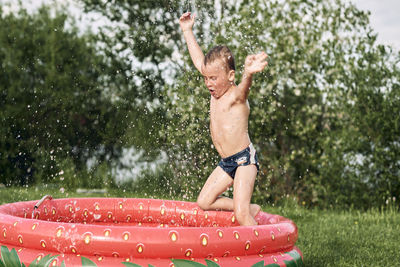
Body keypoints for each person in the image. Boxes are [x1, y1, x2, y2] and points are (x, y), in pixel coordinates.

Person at [179, 12, 268, 226]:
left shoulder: (235, 96)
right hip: (227, 162)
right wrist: (187, 31)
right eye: (206, 78)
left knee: (240, 215)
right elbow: (199, 61)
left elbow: (245, 90)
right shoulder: (214, 93)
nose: (208, 83)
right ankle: (250, 208)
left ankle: (259, 251)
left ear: (230, 76)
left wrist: (249, 74)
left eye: (213, 78)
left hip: (245, 160)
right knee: (204, 201)